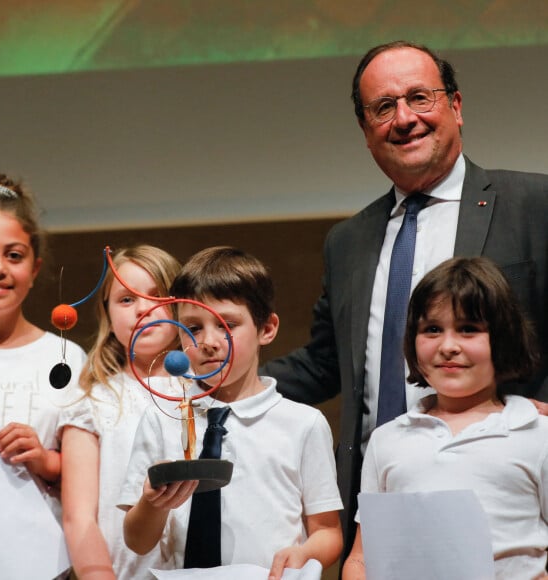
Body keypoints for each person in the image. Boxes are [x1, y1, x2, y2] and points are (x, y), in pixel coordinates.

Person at [262, 40, 548, 557]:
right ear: (366, 131)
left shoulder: (534, 204)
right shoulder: (347, 241)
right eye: (383, 107)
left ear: (456, 107)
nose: (405, 118)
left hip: (509, 491)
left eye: (421, 97)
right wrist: (235, 384)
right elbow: (328, 363)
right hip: (381, 499)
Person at [120, 246, 343, 579]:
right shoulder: (160, 417)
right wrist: (153, 503)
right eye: (193, 328)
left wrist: (304, 553)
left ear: (267, 328)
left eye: (227, 325)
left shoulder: (303, 425)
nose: (209, 341)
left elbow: (327, 531)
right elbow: (137, 541)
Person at [342, 256, 546, 580]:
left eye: (469, 329)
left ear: (503, 338)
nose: (448, 346)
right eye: (432, 329)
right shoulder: (387, 439)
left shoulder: (537, 434)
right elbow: (361, 559)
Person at [59, 245, 182, 580]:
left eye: (157, 295)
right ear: (108, 317)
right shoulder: (92, 402)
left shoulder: (209, 393)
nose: (143, 308)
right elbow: (79, 517)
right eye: (126, 299)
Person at [0, 172, 86, 511]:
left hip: (43, 560)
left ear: (34, 270)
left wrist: (45, 460)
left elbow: (95, 479)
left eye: (14, 256)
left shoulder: (67, 358)